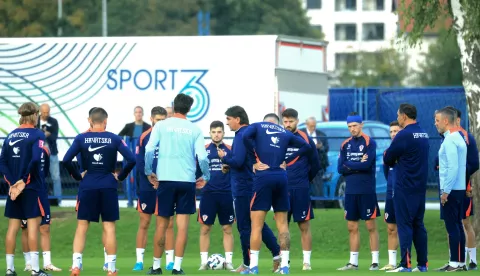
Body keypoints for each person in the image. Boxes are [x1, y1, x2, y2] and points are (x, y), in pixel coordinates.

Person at [63, 107, 136, 276]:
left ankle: (76, 266)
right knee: (109, 227)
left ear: (89, 120)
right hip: (108, 184)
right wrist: (120, 176)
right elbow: (132, 159)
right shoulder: (114, 138)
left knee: (82, 226)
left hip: (87, 185)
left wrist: (77, 176)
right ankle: (111, 269)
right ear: (106, 121)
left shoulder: (81, 138)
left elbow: (66, 160)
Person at [144, 94, 210, 275]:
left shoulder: (161, 126)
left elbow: (149, 149)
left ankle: (156, 267)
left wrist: (149, 171)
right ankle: (177, 267)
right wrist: (206, 175)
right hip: (187, 181)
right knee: (182, 227)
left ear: (173, 107)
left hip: (165, 180)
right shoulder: (194, 129)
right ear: (189, 109)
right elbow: (202, 157)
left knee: (161, 225)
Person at [240, 114, 311, 274]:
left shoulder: (258, 126)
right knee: (283, 225)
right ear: (278, 122)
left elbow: (244, 136)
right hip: (281, 177)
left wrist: (254, 161)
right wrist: (287, 160)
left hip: (264, 176)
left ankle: (254, 267)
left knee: (256, 225)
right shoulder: (284, 132)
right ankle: (285, 266)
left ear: (266, 121)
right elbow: (307, 147)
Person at [217, 106, 281, 273]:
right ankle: (277, 254)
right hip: (253, 184)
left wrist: (225, 157)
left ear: (237, 119)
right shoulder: (251, 135)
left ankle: (248, 264)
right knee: (258, 224)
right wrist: (229, 164)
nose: (227, 123)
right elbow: (243, 161)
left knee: (245, 226)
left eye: (229, 119)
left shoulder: (241, 135)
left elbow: (237, 161)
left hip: (243, 187)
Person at [0, 102, 50, 276]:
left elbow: (2, 162)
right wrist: (23, 181)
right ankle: (35, 270)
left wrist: (12, 183)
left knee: (12, 229)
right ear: (35, 115)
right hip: (31, 187)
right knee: (32, 228)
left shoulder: (11, 135)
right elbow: (36, 159)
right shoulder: (37, 133)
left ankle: (9, 269)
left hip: (14, 189)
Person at [384, 103, 429, 272]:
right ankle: (422, 264)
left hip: (404, 187)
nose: (397, 118)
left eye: (398, 115)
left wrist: (395, 158)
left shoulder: (403, 135)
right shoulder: (423, 133)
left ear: (403, 116)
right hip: (420, 188)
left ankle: (405, 265)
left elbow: (388, 157)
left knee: (404, 225)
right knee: (419, 224)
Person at [132, 106, 176, 271]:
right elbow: (140, 161)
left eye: (163, 121)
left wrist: (164, 178)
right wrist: (150, 177)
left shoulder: (172, 137)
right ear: (151, 120)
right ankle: (139, 261)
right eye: (157, 120)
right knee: (144, 222)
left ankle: (170, 260)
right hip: (147, 186)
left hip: (166, 185)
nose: (160, 123)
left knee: (168, 223)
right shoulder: (144, 137)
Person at [336, 112, 380, 271]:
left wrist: (350, 165)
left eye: (355, 126)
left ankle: (375, 261)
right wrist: (355, 164)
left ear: (361, 125)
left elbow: (366, 165)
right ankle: (353, 262)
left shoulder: (370, 143)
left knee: (370, 226)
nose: (352, 129)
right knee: (352, 227)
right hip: (351, 191)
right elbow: (340, 168)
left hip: (366, 190)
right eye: (349, 127)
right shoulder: (345, 145)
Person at [279, 108, 320, 270]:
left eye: (291, 121)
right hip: (281, 189)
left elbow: (315, 164)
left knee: (304, 226)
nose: (288, 125)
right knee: (282, 226)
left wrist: (305, 179)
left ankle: (306, 262)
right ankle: (284, 262)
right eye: (285, 122)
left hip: (300, 188)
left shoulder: (305, 139)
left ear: (297, 121)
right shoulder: (279, 138)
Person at [196, 121, 235, 271]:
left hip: (226, 194)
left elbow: (237, 168)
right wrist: (197, 182)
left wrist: (228, 167)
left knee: (227, 228)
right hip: (208, 195)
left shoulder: (231, 150)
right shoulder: (204, 150)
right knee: (205, 228)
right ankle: (204, 262)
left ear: (224, 133)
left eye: (219, 132)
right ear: (210, 133)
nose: (216, 134)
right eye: (214, 132)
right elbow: (196, 172)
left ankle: (229, 261)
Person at [434, 107, 467, 272]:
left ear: (446, 121)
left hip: (452, 190)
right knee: (458, 225)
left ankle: (455, 262)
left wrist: (445, 191)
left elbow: (453, 168)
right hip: (458, 188)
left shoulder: (450, 140)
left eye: (437, 121)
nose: (436, 124)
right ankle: (459, 262)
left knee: (452, 226)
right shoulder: (458, 137)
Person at [21, 145, 62, 273]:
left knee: (45, 227)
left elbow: (45, 171)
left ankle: (47, 263)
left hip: (40, 191)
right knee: (26, 228)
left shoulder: (44, 150)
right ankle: (29, 263)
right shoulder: (23, 149)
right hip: (25, 192)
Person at [379, 121, 402, 271]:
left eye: (396, 131)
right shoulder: (387, 152)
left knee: (406, 227)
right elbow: (387, 173)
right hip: (390, 193)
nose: (393, 134)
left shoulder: (406, 151)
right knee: (390, 228)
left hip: (403, 194)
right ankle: (392, 262)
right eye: (391, 131)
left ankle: (407, 260)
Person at [37, 103, 61, 203]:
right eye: (44, 112)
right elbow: (34, 136)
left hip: (52, 153)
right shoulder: (35, 121)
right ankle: (37, 200)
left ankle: (58, 200)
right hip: (37, 154)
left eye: (47, 112)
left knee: (56, 177)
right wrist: (45, 134)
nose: (46, 114)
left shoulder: (54, 121)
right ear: (40, 111)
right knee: (37, 176)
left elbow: (54, 136)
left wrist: (45, 135)